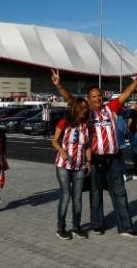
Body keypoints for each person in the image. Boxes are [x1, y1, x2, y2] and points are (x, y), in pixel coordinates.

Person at [51, 61, 137, 238]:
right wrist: (59, 85)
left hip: (114, 157)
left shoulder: (111, 108)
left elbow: (126, 93)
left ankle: (126, 227)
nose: (98, 99)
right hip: (95, 158)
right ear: (88, 99)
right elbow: (69, 99)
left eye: (100, 96)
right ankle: (97, 225)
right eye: (94, 96)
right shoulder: (85, 113)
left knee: (119, 192)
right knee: (95, 193)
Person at [51, 98, 92, 240]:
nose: (85, 110)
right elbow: (54, 141)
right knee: (66, 196)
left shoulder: (86, 126)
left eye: (86, 108)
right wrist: (62, 151)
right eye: (82, 107)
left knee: (78, 198)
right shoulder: (64, 122)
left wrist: (89, 162)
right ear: (75, 108)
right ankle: (60, 228)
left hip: (80, 165)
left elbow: (87, 146)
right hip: (64, 165)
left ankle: (76, 227)